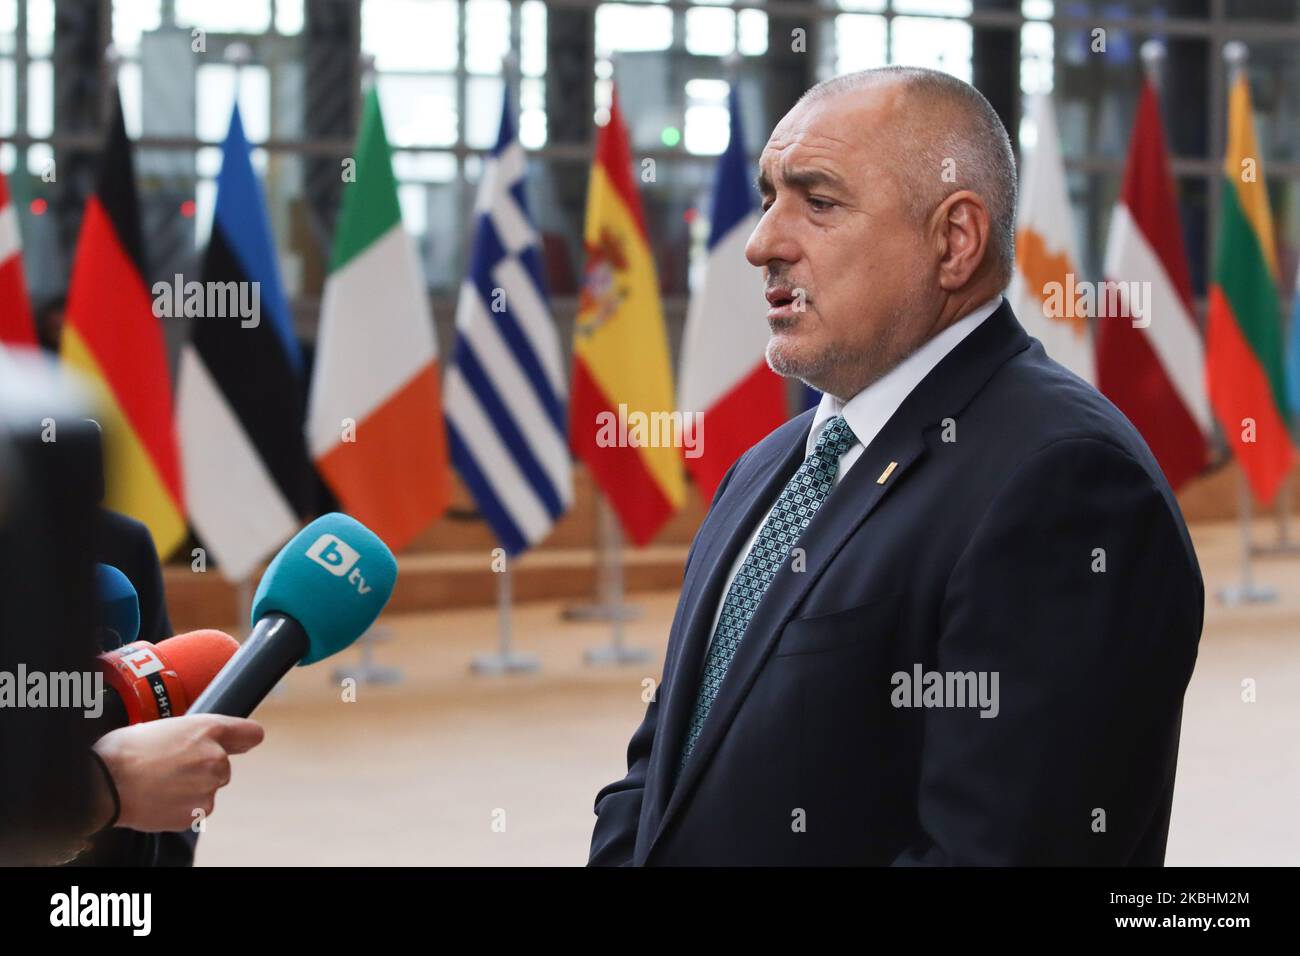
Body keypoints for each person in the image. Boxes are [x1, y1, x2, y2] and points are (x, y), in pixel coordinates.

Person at [587, 66, 1203, 866]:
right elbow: (661, 768)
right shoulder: (768, 465)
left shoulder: (1068, 485)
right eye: (771, 195)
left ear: (954, 241)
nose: (762, 242)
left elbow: (1000, 852)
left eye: (819, 201)